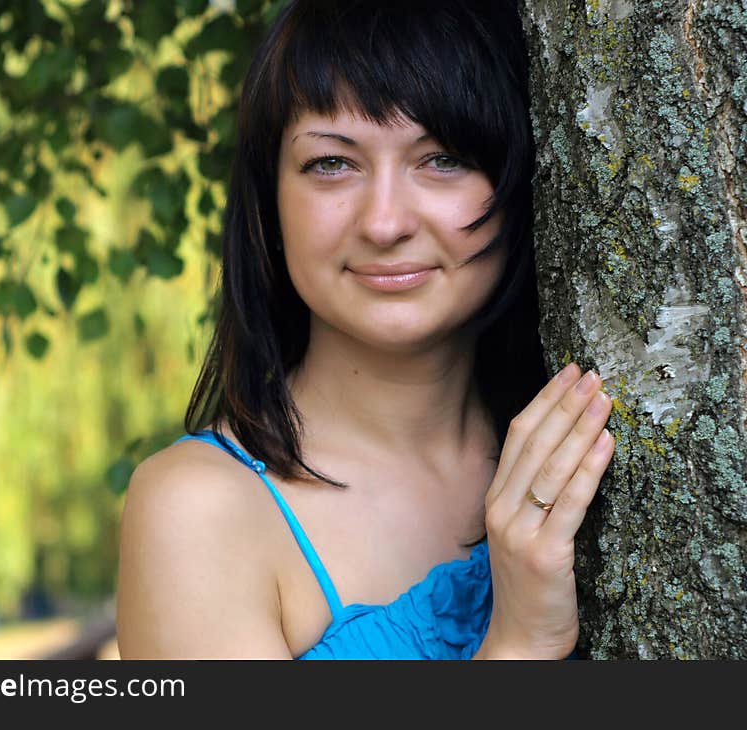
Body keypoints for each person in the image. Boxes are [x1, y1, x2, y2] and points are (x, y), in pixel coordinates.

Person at [116, 0, 615, 659]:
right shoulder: (198, 512)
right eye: (332, 164)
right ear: (270, 201)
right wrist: (519, 646)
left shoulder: (592, 449)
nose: (384, 223)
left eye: (442, 158)